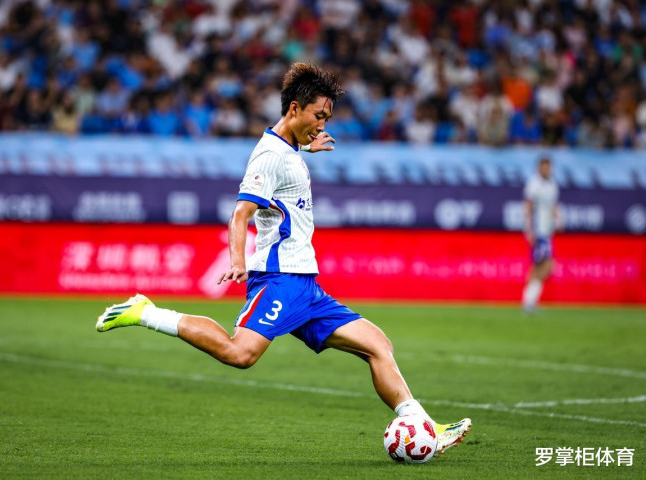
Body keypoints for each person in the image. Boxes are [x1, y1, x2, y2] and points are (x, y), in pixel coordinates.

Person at [95, 63, 471, 456]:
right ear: (295, 108)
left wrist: (304, 147)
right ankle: (146, 312)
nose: (322, 125)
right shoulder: (269, 155)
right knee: (240, 353)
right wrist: (237, 260)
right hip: (280, 279)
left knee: (377, 344)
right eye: (318, 116)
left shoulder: (287, 149)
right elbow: (240, 213)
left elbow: (284, 165)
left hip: (305, 285)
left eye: (327, 118)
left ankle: (424, 427)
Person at [522, 156, 561, 312]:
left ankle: (530, 301)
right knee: (545, 265)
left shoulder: (552, 185)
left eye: (548, 167)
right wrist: (528, 228)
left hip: (547, 230)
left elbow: (553, 206)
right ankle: (529, 300)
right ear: (538, 168)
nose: (546, 170)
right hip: (538, 230)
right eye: (544, 167)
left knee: (541, 266)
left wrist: (558, 220)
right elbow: (528, 206)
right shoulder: (534, 184)